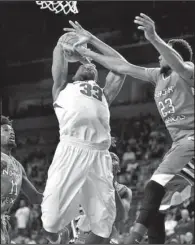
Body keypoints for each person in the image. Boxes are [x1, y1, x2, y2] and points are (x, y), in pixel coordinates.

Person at [71, 13, 194, 244]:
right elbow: (122, 66)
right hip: (180, 145)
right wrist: (90, 48)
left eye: (164, 52)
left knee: (153, 186)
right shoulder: (158, 76)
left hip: (191, 141)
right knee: (158, 204)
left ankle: (133, 239)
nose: (159, 56)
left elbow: (179, 63)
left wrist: (154, 37)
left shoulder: (188, 71)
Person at [41, 25, 126, 244]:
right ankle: (61, 237)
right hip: (71, 150)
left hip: (99, 156)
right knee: (50, 222)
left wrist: (92, 42)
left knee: (104, 226)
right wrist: (72, 51)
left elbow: (121, 67)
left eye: (93, 68)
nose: (88, 68)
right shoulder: (62, 89)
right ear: (75, 72)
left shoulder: (104, 94)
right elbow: (59, 51)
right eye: (82, 67)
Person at [1, 115, 43, 244]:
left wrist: (60, 198)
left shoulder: (18, 166)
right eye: (6, 130)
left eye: (12, 130)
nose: (11, 132)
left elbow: (35, 197)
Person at [75, 152, 132, 244]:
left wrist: (111, 184)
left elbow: (121, 216)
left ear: (118, 169)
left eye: (113, 159)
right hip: (82, 237)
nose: (110, 161)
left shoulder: (124, 190)